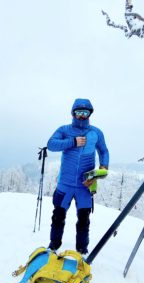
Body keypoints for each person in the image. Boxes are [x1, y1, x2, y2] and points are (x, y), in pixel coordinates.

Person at [47, 98, 109, 255]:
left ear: (89, 114)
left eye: (85, 112)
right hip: (65, 184)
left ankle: (82, 251)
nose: (82, 116)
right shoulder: (64, 130)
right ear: (73, 113)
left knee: (83, 220)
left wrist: (103, 167)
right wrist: (73, 142)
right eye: (79, 112)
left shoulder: (96, 132)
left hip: (85, 185)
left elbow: (103, 151)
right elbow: (51, 144)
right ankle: (53, 246)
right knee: (58, 216)